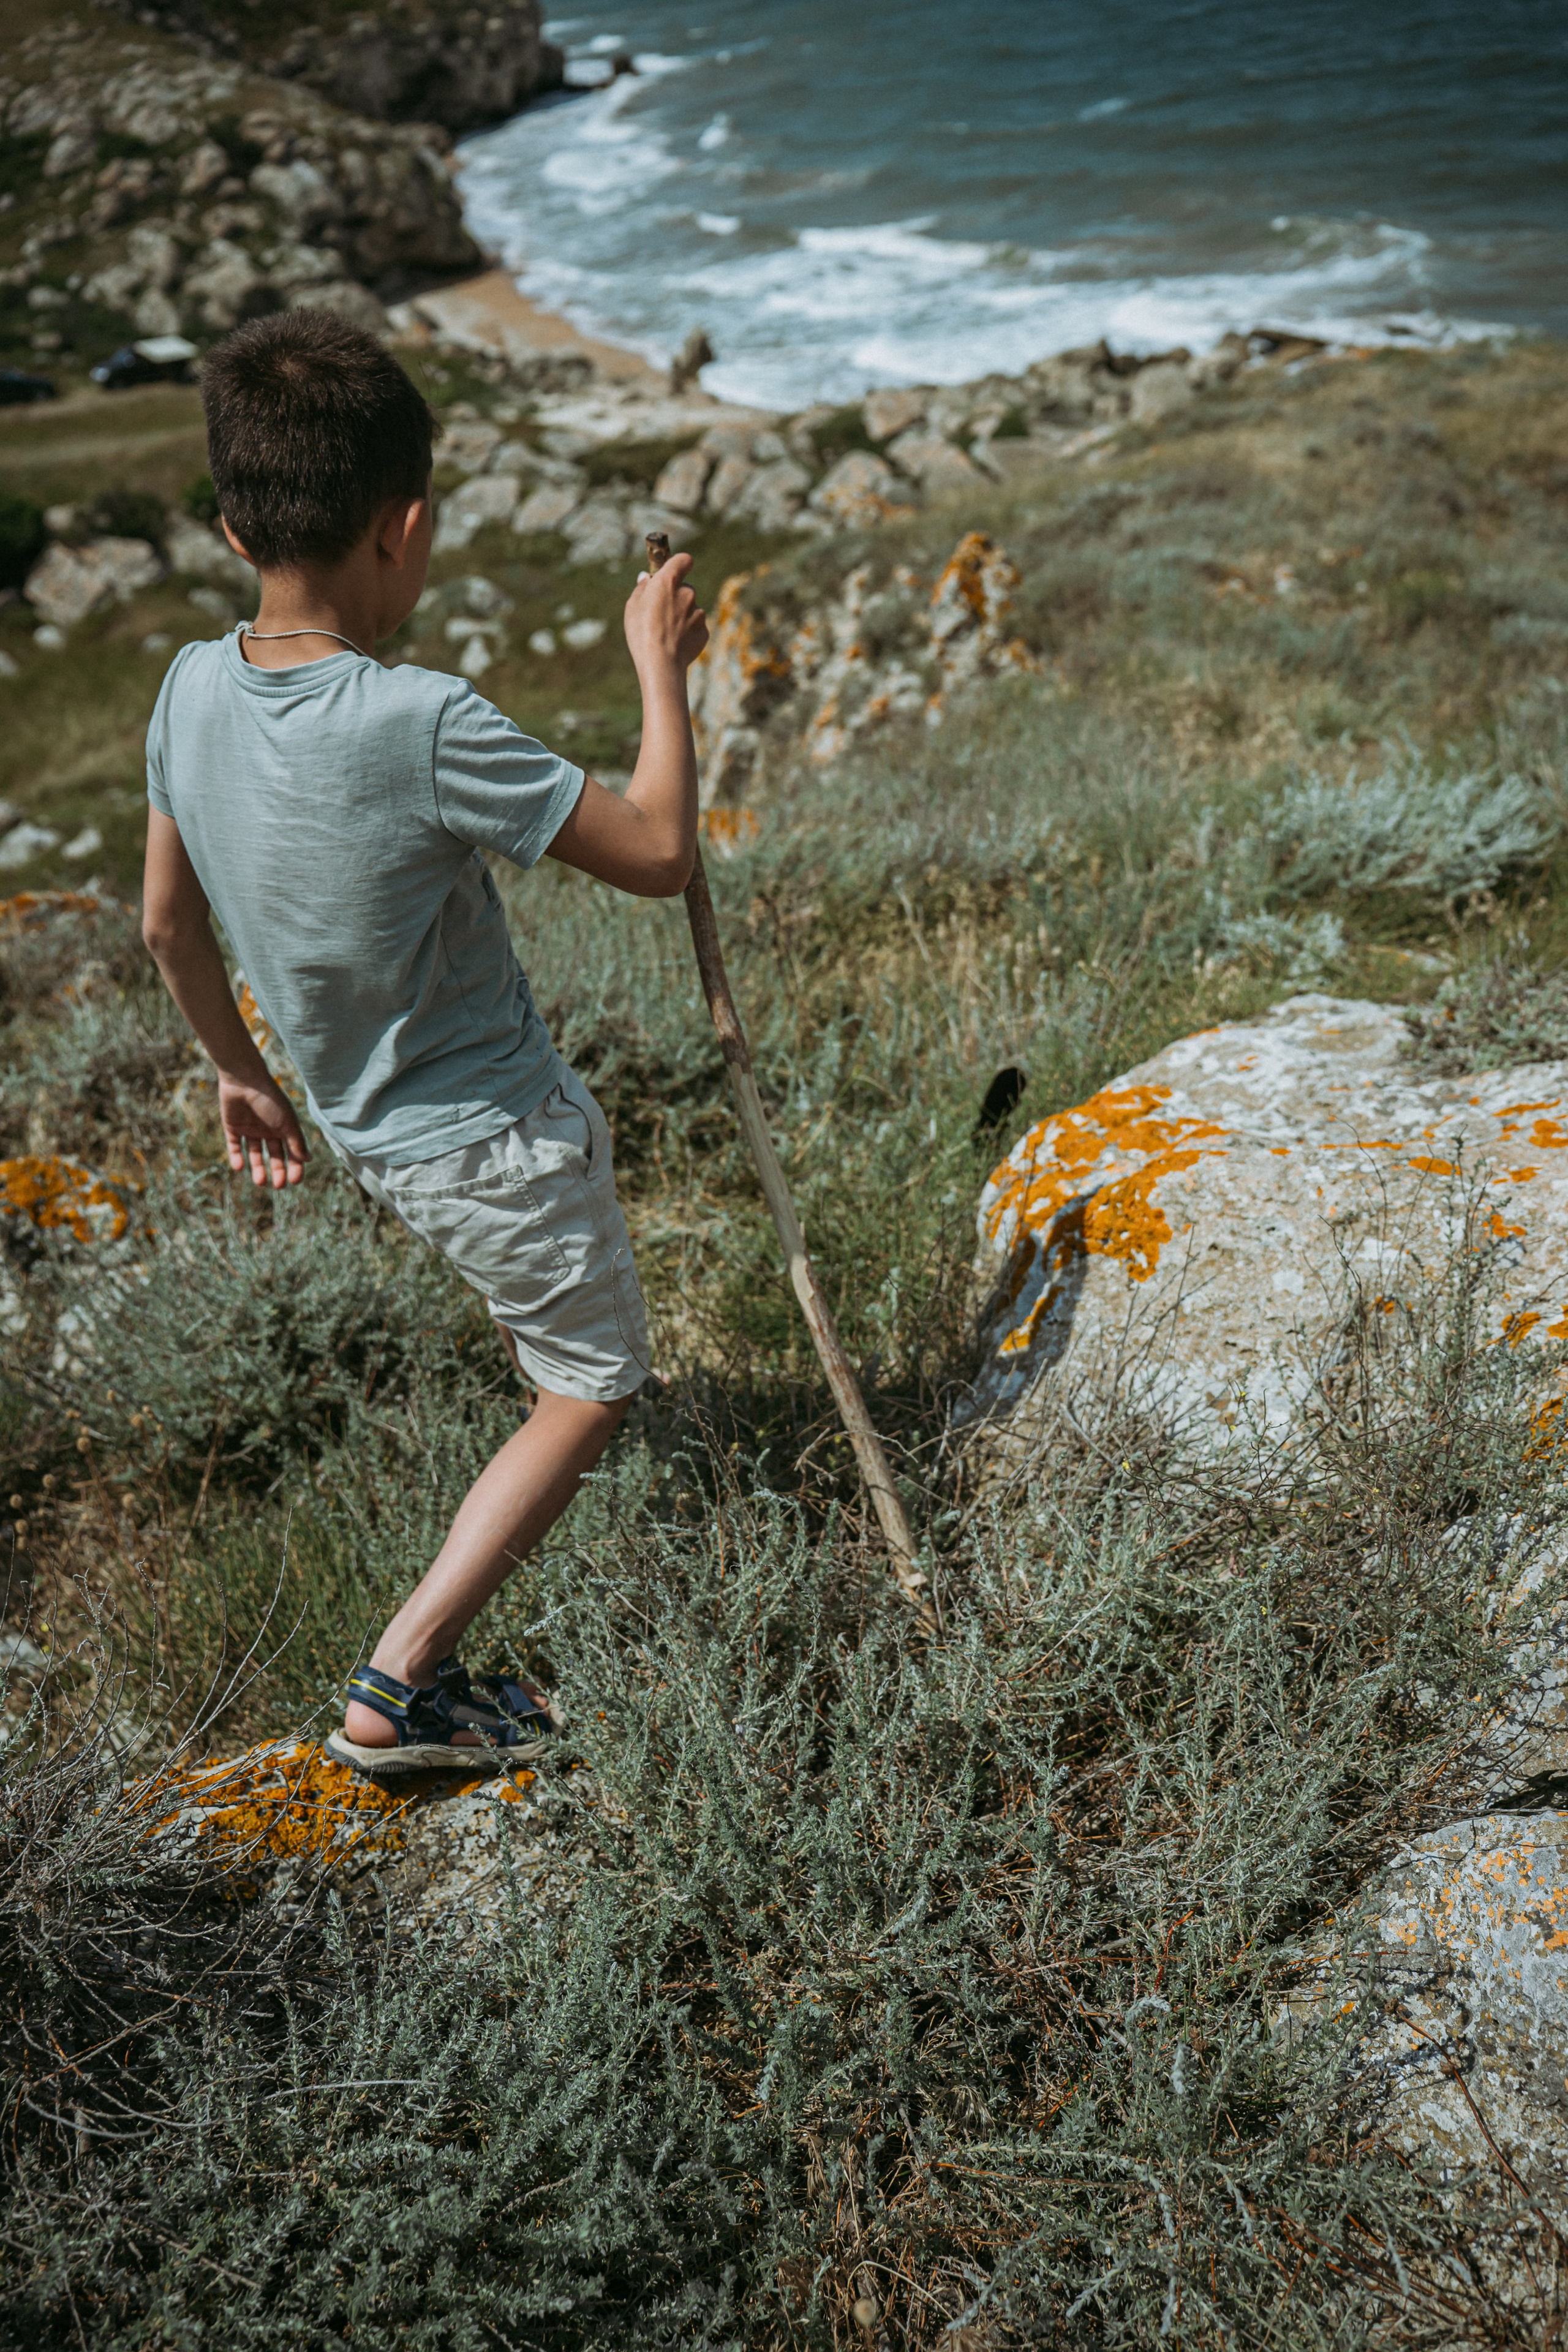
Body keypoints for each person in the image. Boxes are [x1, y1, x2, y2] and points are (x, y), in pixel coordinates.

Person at [140, 310, 707, 1779]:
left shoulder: (188, 690)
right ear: (405, 528)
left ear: (229, 524)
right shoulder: (418, 719)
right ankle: (401, 1680)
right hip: (498, 1135)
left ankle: (410, 1672)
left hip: (366, 1126)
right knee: (589, 1386)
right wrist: (660, 667)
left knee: (558, 1356)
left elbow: (163, 929)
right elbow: (653, 852)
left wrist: (236, 1069)